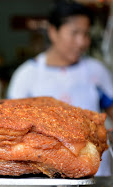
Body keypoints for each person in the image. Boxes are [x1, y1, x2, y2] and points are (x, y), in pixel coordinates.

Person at [7, 0, 113, 176]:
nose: (82, 42)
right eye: (74, 33)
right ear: (53, 32)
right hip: (44, 173)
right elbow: (13, 129)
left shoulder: (96, 71)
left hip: (97, 174)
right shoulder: (26, 75)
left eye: (86, 34)